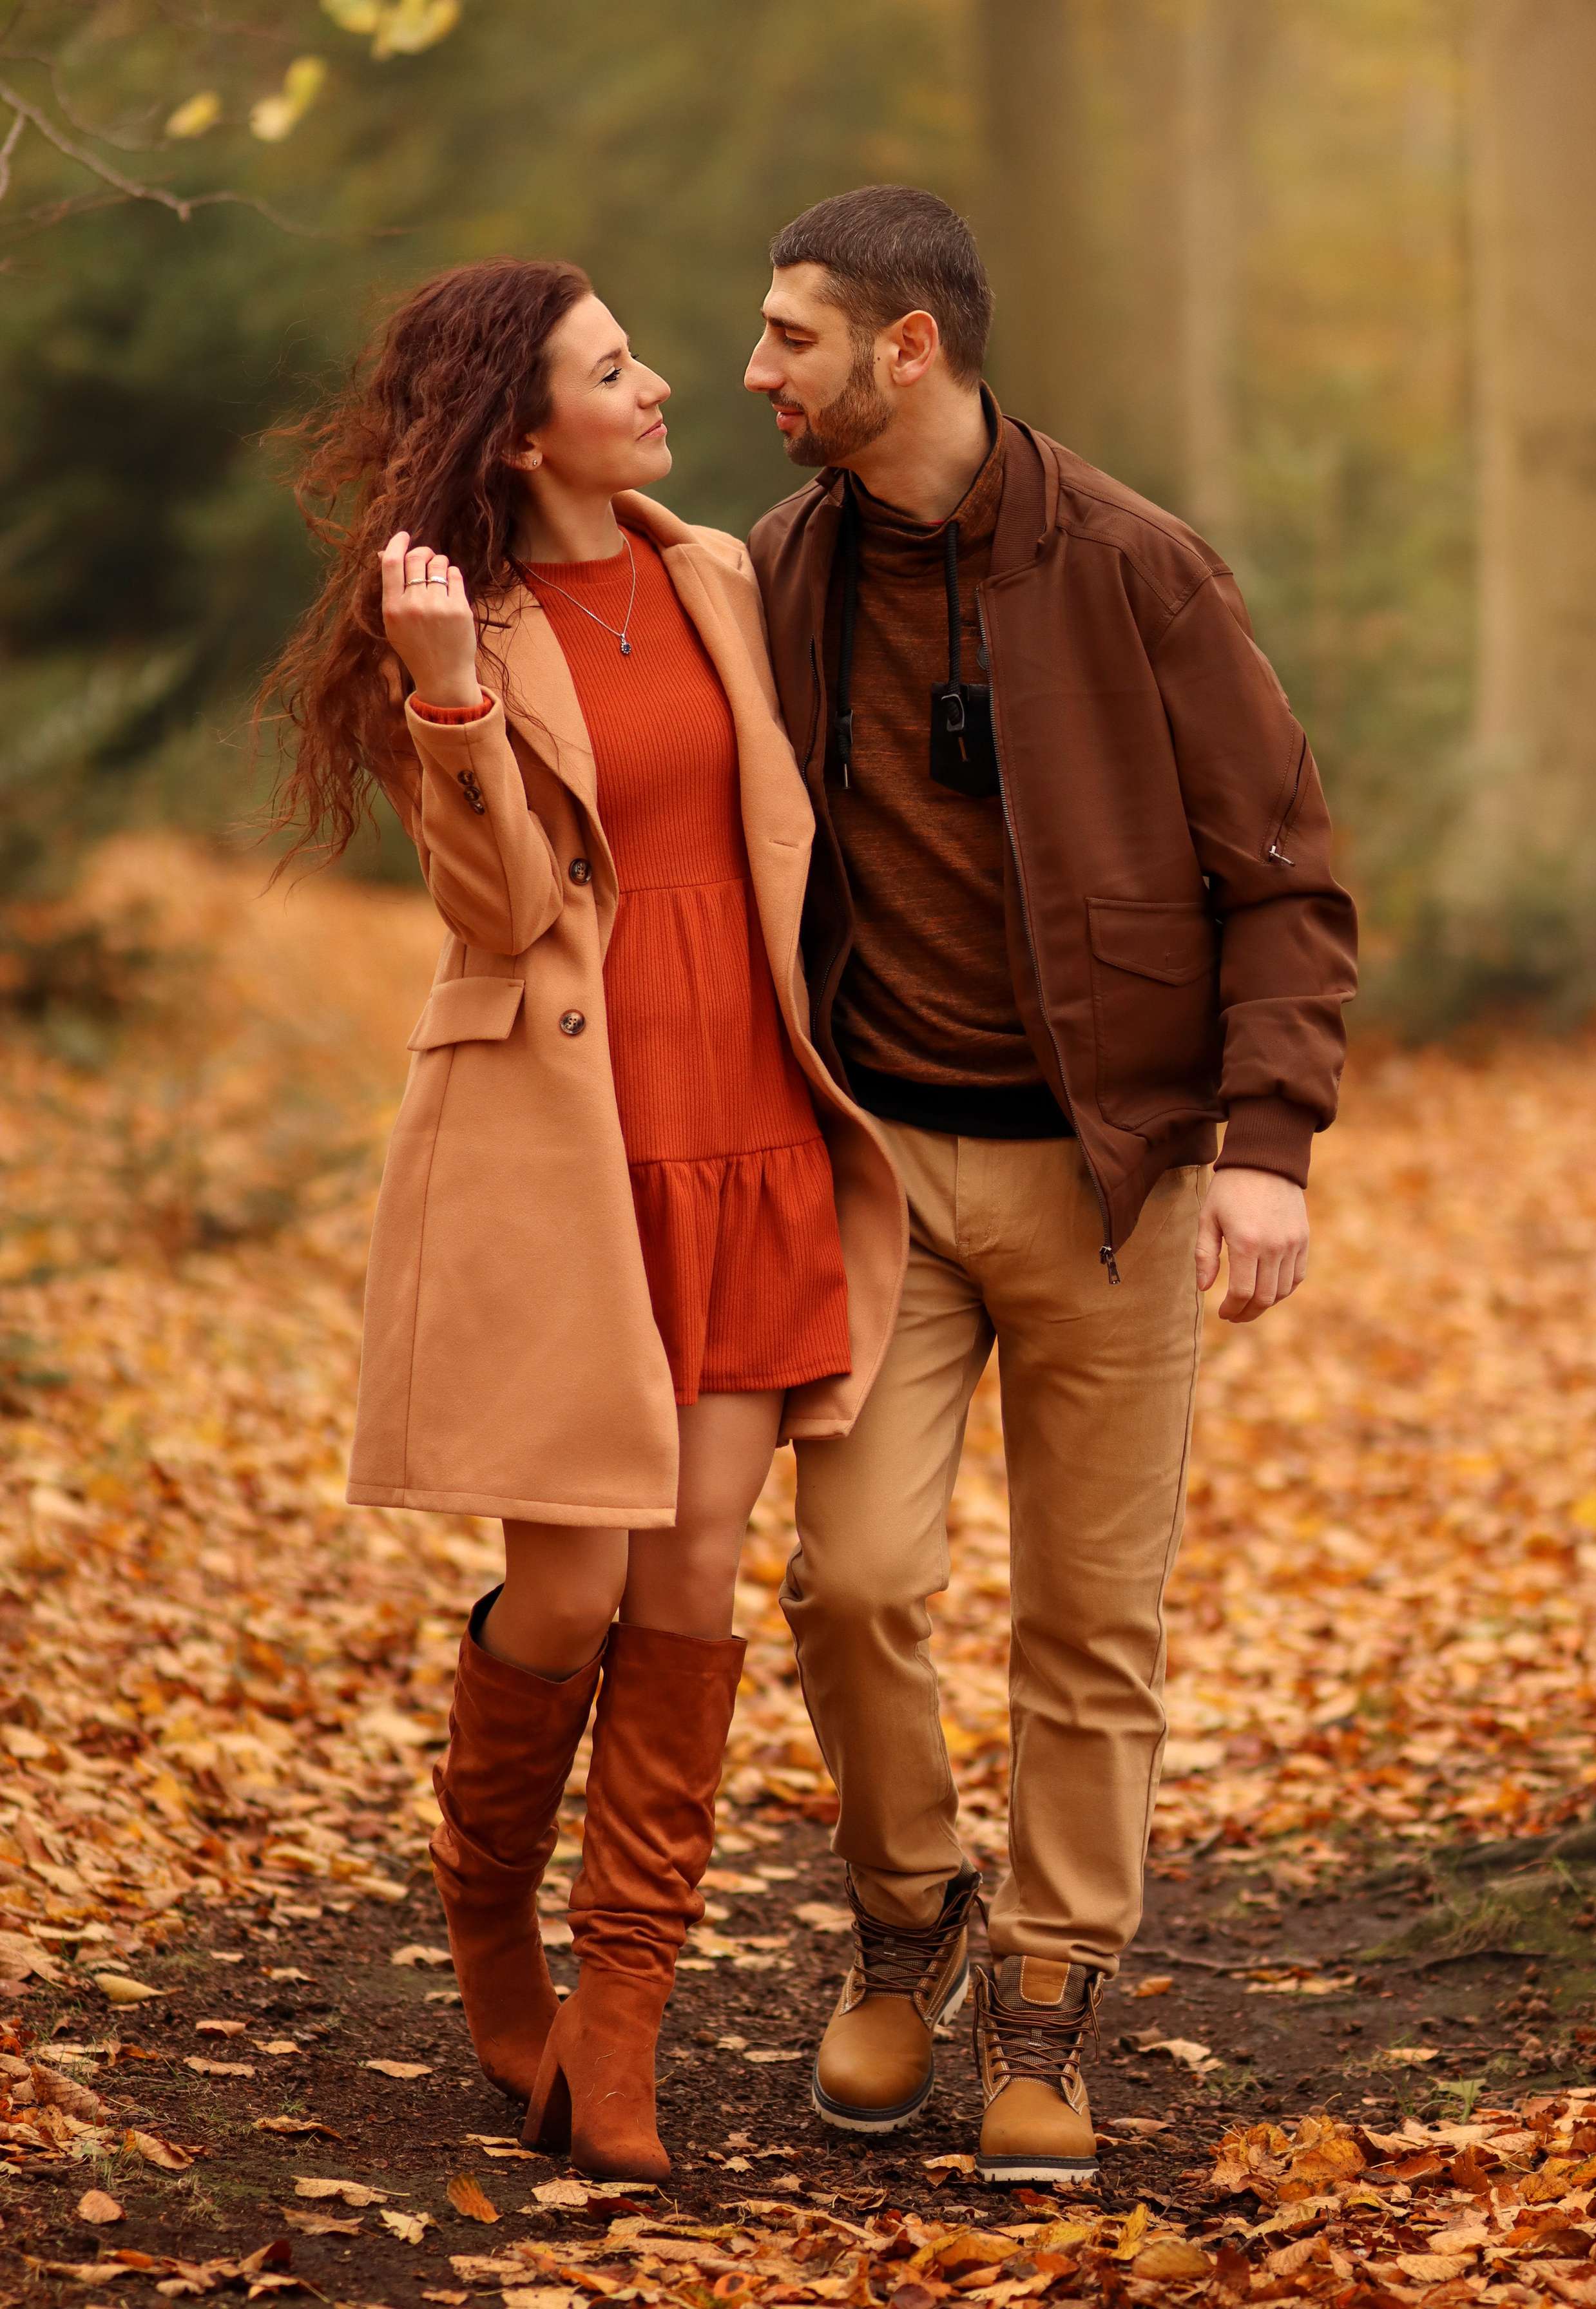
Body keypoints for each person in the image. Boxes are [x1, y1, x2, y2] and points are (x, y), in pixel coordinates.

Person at [260, 256, 905, 2183]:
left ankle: (620, 2015)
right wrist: (455, 698)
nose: (661, 387)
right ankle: (488, 1925)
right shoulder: (447, 624)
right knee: (568, 1595)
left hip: (752, 1123)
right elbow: (502, 913)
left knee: (694, 1584)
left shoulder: (715, 571)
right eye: (614, 371)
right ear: (522, 427)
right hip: (578, 1145)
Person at [742, 187, 1358, 2184]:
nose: (755, 373)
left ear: (904, 349)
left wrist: (1268, 1151)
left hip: (1115, 1188)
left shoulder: (1136, 567)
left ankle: (1055, 2001)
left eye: (789, 338)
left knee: (1095, 1634)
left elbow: (1288, 879)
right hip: (882, 1172)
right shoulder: (780, 570)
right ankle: (906, 1924)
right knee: (852, 1585)